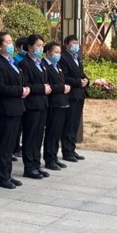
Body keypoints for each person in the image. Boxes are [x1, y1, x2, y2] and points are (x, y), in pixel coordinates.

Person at [0, 32, 27, 190]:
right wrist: (20, 90)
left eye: (11, 41)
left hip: (17, 107)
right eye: (7, 42)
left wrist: (24, 89)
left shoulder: (12, 62)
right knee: (3, 144)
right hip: (5, 109)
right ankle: (2, 176)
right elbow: (2, 87)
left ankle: (8, 173)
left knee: (10, 143)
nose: (11, 45)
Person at [19, 34, 52, 180]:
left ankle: (36, 164)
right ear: (30, 47)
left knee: (39, 136)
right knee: (30, 136)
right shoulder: (24, 64)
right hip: (32, 104)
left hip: (42, 104)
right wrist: (41, 88)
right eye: (38, 45)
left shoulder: (41, 63)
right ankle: (29, 166)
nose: (40, 48)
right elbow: (26, 85)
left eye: (42, 46)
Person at [59, 35, 89, 162]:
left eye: (77, 43)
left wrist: (86, 80)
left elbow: (81, 73)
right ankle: (67, 151)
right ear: (66, 44)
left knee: (75, 124)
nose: (76, 45)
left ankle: (72, 148)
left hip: (79, 95)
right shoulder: (63, 58)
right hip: (71, 95)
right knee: (69, 124)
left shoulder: (76, 57)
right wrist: (78, 82)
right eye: (73, 43)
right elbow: (64, 77)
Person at [43, 42, 71, 171]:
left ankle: (54, 156)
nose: (58, 55)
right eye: (56, 52)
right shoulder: (44, 66)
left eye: (59, 52)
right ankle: (49, 158)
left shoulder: (57, 66)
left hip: (62, 102)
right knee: (51, 132)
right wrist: (61, 88)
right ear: (48, 52)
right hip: (53, 103)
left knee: (57, 132)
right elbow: (48, 86)